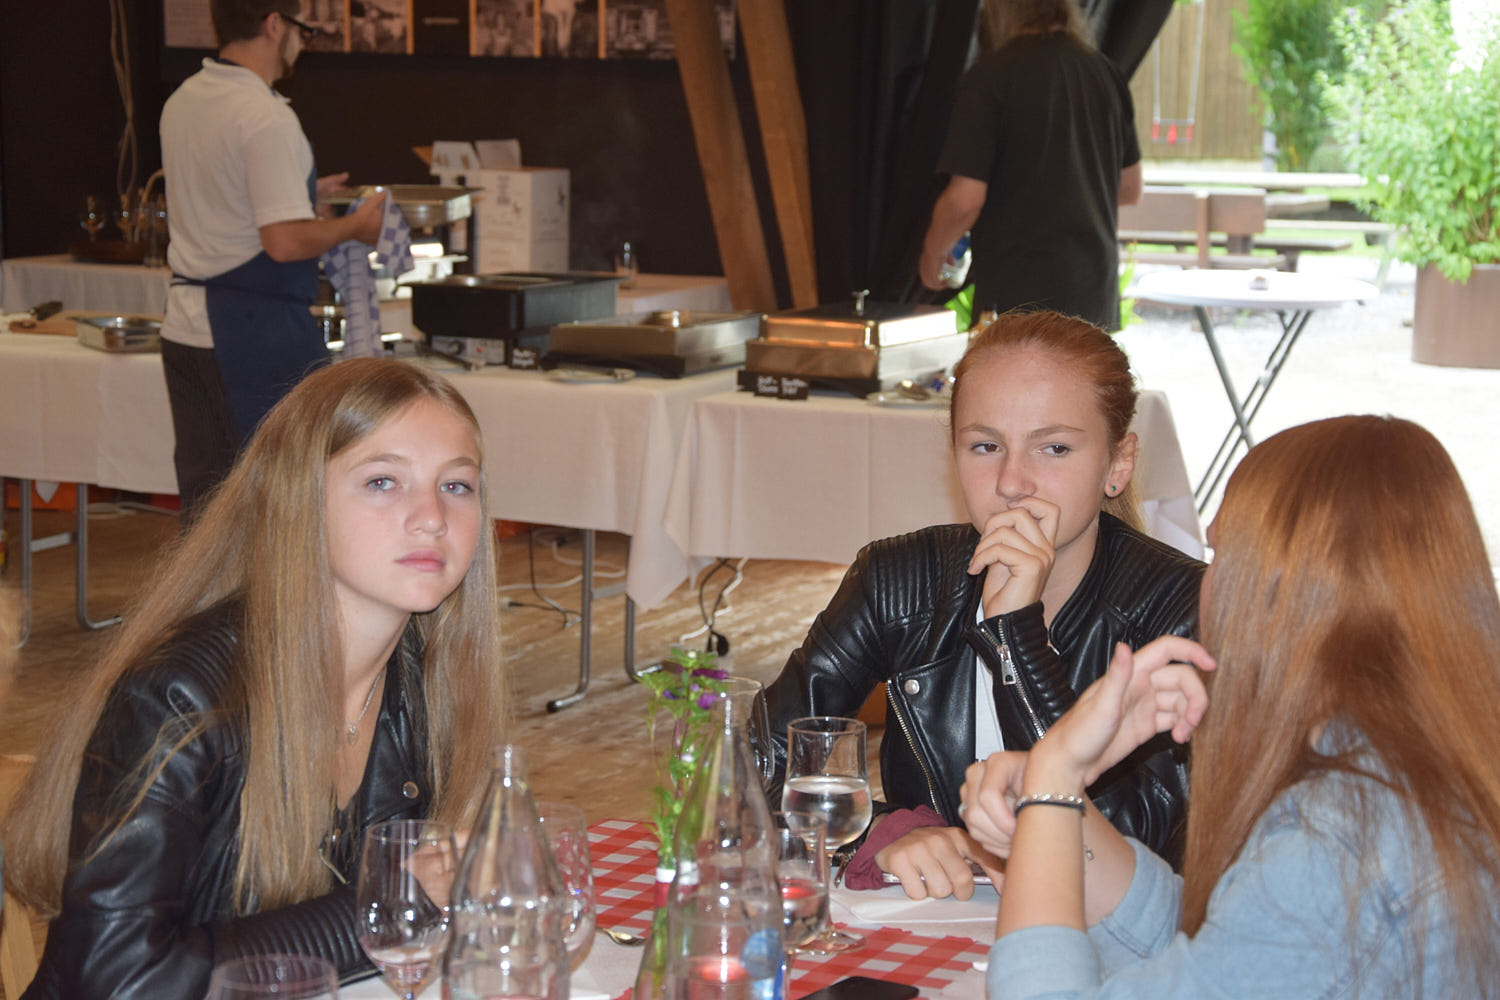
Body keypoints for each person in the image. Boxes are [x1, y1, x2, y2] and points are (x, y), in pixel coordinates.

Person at [1, 359, 507, 999]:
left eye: (456, 485)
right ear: (296, 500)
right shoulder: (181, 698)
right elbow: (118, 978)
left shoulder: (423, 682)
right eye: (383, 481)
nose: (432, 517)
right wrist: (383, 907)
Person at [963, 415, 1500, 998]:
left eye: (1220, 554)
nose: (1207, 581)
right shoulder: (1407, 771)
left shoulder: (1339, 842)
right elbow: (1224, 948)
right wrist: (1057, 809)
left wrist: (1051, 782)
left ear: (1285, 588)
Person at [764, 311, 1203, 900]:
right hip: (931, 925)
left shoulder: (1183, 609)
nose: (1012, 482)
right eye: (985, 445)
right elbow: (756, 766)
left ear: (1118, 463)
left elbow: (1135, 852)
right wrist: (883, 831)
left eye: (1054, 447)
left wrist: (1015, 635)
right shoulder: (899, 580)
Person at [160, 0, 388, 516]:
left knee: (207, 502)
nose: (301, 45)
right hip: (249, 333)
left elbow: (224, 200)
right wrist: (356, 227)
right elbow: (283, 243)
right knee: (278, 502)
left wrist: (298, 197)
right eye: (302, 31)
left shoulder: (184, 99)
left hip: (185, 328)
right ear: (273, 24)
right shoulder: (265, 116)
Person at [918, 0, 1142, 331]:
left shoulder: (991, 76)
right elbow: (1130, 188)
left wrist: (932, 252)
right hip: (1093, 294)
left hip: (1020, 295)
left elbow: (965, 200)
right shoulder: (1106, 73)